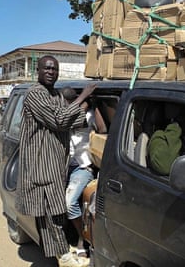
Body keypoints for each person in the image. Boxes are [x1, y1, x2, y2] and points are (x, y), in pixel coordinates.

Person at [16, 55, 95, 267]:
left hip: (57, 164)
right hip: (43, 163)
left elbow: (71, 121)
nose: (52, 72)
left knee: (54, 213)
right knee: (53, 212)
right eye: (48, 69)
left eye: (55, 69)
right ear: (38, 71)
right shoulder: (35, 94)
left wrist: (84, 108)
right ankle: (64, 256)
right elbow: (59, 119)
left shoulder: (54, 95)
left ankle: (62, 254)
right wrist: (81, 98)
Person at [61, 86, 106, 260]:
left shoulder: (87, 115)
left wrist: (94, 106)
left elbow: (102, 130)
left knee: (69, 202)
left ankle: (83, 239)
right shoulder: (63, 117)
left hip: (83, 167)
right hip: (65, 166)